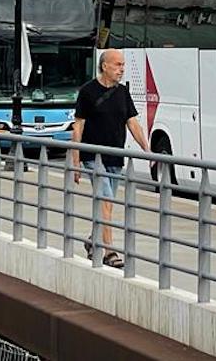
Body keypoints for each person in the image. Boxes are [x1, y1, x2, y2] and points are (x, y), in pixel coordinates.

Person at [70, 49, 150, 269]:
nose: (121, 69)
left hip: (115, 156)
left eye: (123, 65)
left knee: (107, 203)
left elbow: (132, 122)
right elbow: (78, 127)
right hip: (92, 156)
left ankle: (92, 241)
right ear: (104, 66)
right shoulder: (87, 91)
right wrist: (75, 162)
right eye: (117, 65)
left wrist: (147, 150)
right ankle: (109, 251)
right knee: (105, 199)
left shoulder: (123, 92)